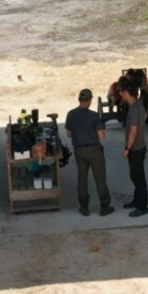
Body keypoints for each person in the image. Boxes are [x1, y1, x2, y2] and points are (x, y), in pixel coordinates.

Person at [65, 88, 114, 217]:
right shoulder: (93, 115)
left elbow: (69, 134)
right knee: (100, 179)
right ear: (89, 100)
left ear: (79, 99)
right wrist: (101, 132)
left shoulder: (71, 114)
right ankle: (104, 207)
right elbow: (101, 136)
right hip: (94, 151)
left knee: (82, 180)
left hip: (79, 151)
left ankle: (84, 207)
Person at [118, 80, 148, 217]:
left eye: (121, 92)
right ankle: (137, 201)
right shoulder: (137, 106)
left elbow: (133, 132)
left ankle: (142, 206)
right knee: (135, 176)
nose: (120, 94)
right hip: (138, 147)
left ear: (125, 93)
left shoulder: (135, 109)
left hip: (136, 149)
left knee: (138, 178)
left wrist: (127, 148)